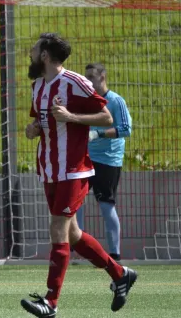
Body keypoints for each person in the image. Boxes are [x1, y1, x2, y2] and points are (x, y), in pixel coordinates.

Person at [20, 33, 137, 317]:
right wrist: (33, 129)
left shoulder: (74, 82)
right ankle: (120, 274)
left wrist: (73, 117)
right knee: (72, 234)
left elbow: (107, 118)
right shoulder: (37, 87)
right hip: (49, 170)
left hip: (73, 170)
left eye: (34, 49)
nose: (30, 53)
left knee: (58, 228)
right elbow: (39, 121)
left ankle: (51, 302)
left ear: (45, 54)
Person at [76, 63, 132, 262]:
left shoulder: (116, 101)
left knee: (106, 204)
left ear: (103, 76)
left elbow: (126, 129)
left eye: (92, 76)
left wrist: (99, 133)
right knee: (76, 203)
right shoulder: (87, 101)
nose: (88, 80)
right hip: (86, 159)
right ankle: (78, 250)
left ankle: (114, 254)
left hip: (108, 161)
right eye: (86, 76)